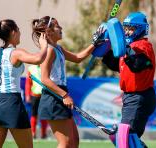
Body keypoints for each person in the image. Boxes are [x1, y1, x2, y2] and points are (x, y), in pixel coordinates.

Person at [31, 16, 105, 148]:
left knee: (74, 141)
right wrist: (64, 95)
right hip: (53, 97)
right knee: (65, 144)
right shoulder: (49, 50)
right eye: (57, 26)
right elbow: (45, 79)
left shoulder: (58, 48)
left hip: (59, 95)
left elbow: (77, 58)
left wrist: (94, 44)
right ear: (49, 32)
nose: (61, 28)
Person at [0, 19, 48, 148]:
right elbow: (38, 58)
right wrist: (44, 45)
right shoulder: (15, 52)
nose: (20, 34)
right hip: (12, 103)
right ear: (13, 32)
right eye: (19, 30)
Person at [102, 12, 156, 148]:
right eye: (125, 28)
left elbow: (137, 65)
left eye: (130, 29)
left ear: (139, 29)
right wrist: (104, 45)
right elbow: (113, 63)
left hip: (140, 97)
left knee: (124, 137)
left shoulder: (142, 46)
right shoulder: (129, 49)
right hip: (130, 98)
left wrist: (124, 48)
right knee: (124, 137)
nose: (126, 32)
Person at [25, 65, 48, 139]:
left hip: (44, 95)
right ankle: (33, 133)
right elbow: (28, 83)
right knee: (34, 115)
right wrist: (27, 95)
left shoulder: (46, 66)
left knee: (44, 115)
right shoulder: (31, 68)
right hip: (35, 95)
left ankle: (43, 134)